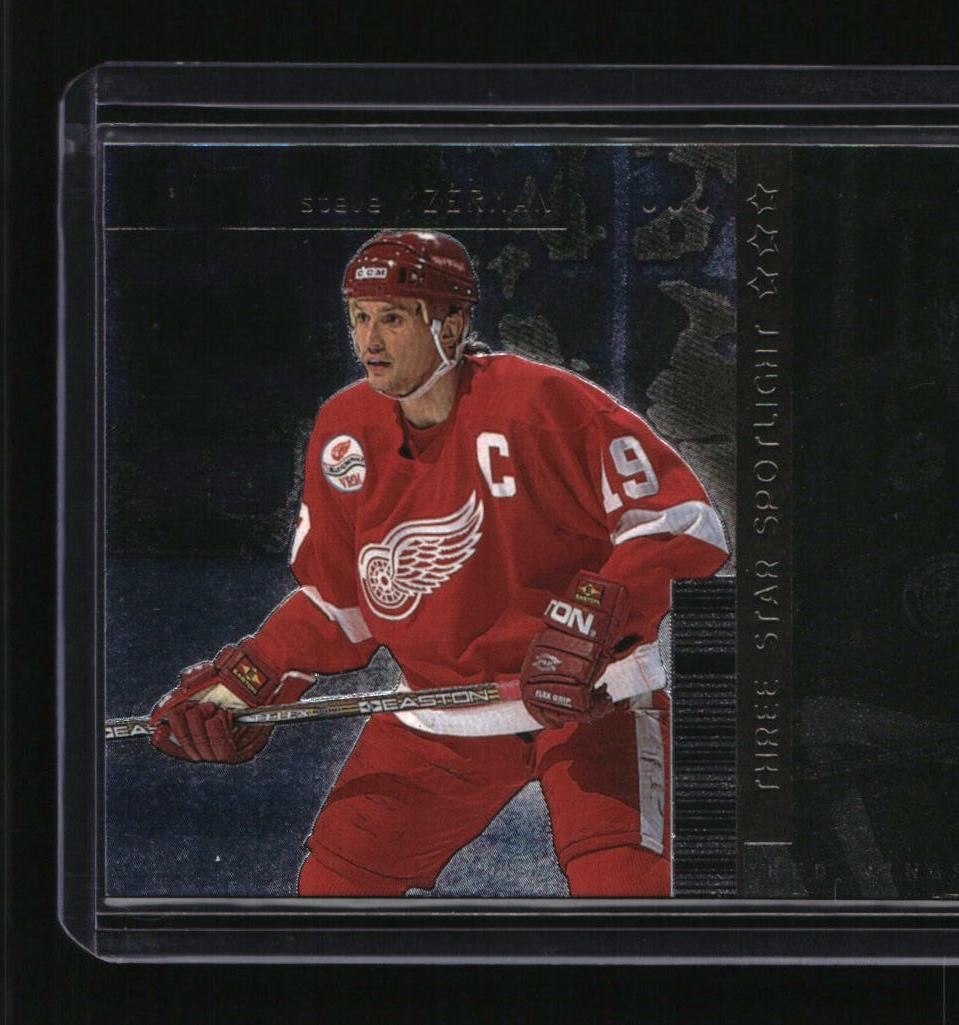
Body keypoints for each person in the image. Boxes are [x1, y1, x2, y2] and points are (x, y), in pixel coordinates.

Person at [148, 230, 729, 897]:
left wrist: (592, 623)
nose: (369, 341)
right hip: (440, 714)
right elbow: (341, 604)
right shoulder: (343, 432)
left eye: (393, 318)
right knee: (332, 896)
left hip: (593, 704)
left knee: (623, 893)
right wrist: (247, 680)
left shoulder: (544, 403)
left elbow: (683, 522)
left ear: (450, 324)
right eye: (359, 317)